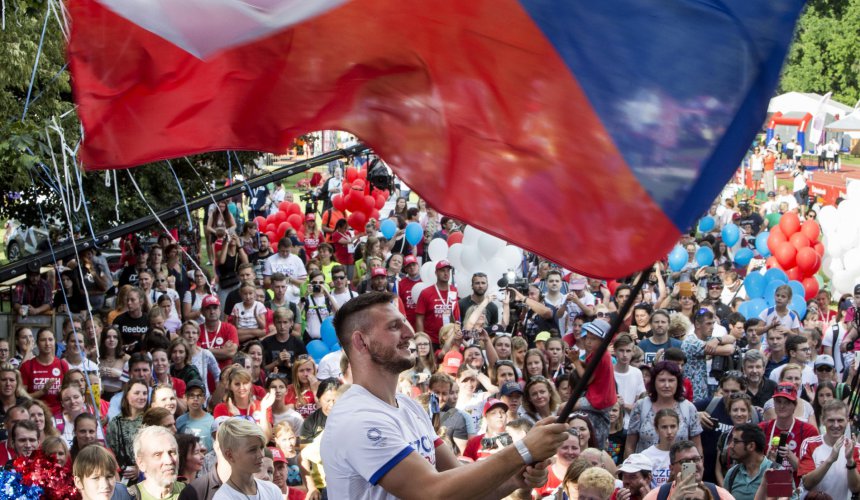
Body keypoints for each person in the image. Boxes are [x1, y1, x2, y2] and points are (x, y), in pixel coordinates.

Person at [322, 291, 570, 498]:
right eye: (394, 326)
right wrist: (523, 450)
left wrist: (515, 478)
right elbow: (432, 492)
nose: (409, 332)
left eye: (405, 322)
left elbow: (461, 489)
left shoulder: (409, 406)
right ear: (360, 342)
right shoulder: (358, 418)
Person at [626, 361, 702, 457]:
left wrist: (698, 469)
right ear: (654, 382)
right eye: (662, 380)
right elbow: (630, 445)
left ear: (678, 382)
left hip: (679, 469)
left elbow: (697, 447)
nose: (667, 385)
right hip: (646, 468)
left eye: (671, 380)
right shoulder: (641, 406)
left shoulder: (689, 408)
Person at [798, 400, 860, 499]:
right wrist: (830, 459)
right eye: (831, 420)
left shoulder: (856, 448)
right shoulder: (809, 443)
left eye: (840, 420)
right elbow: (807, 484)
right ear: (823, 420)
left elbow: (856, 488)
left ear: (847, 420)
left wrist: (850, 461)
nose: (836, 425)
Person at [211, 417, 283, 499]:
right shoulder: (223, 498)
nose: (261, 455)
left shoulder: (272, 490)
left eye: (262, 447)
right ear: (230, 455)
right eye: (252, 450)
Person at [641, 440, 731, 500]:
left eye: (696, 459)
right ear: (671, 469)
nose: (693, 464)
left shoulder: (718, 494)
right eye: (685, 461)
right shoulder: (658, 495)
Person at [20, 328, 70, 417]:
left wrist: (62, 392)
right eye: (43, 340)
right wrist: (43, 391)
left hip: (59, 415)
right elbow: (22, 397)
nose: (47, 344)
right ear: (37, 343)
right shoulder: (27, 366)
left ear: (54, 342)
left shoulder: (62, 364)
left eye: (50, 339)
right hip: (35, 415)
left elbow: (69, 392)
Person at [108, 378, 149, 484]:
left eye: (144, 393)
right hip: (122, 477)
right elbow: (112, 452)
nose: (142, 397)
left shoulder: (151, 419)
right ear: (127, 395)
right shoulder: (116, 422)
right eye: (137, 393)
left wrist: (140, 468)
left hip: (148, 475)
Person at [132, 424, 186, 499]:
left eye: (172, 452)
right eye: (157, 455)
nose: (169, 461)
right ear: (141, 463)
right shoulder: (129, 497)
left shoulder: (191, 493)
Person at [415, 261, 461, 346]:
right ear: (436, 273)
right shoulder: (426, 293)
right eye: (442, 270)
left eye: (448, 270)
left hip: (450, 339)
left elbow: (456, 315)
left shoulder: (454, 290)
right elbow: (419, 318)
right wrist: (421, 339)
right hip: (431, 340)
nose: (446, 273)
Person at [723, 423, 770, 500]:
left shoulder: (777, 473)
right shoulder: (732, 474)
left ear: (751, 446)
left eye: (735, 441)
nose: (730, 446)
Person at [198, 295, 239, 370]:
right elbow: (196, 353)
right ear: (202, 312)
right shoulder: (197, 330)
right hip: (203, 376)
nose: (212, 312)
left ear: (220, 310)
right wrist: (222, 351)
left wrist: (205, 350)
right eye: (208, 308)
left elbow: (231, 353)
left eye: (215, 308)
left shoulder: (230, 328)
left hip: (225, 376)